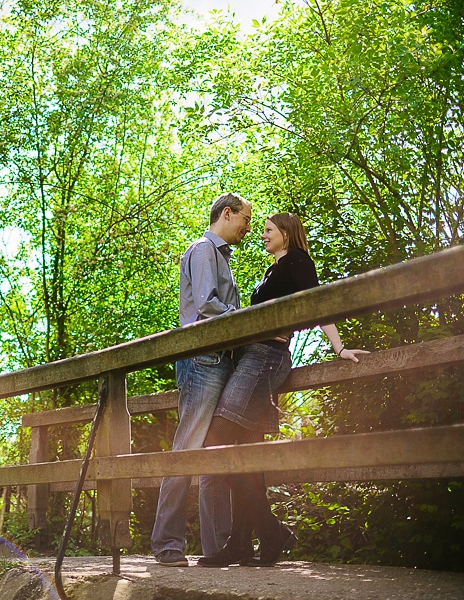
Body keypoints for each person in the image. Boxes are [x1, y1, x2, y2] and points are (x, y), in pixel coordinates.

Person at [197, 212, 368, 568]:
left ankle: (270, 532)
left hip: (266, 357)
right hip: (251, 359)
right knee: (245, 454)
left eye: (268, 230)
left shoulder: (297, 261)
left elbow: (319, 303)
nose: (261, 235)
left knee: (217, 439)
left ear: (286, 234)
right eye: (260, 231)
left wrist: (339, 348)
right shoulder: (272, 270)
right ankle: (241, 544)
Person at [151, 192, 253, 567]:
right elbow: (209, 304)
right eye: (245, 218)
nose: (247, 227)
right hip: (204, 361)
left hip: (220, 360)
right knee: (187, 451)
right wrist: (249, 321)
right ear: (227, 214)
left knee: (214, 453)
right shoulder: (203, 250)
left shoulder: (219, 257)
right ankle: (166, 544)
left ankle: (218, 548)